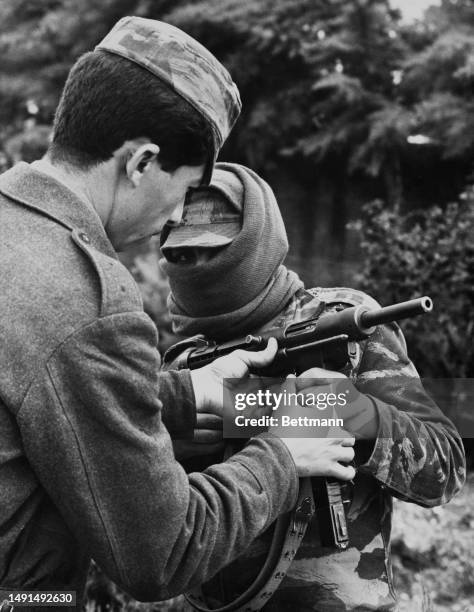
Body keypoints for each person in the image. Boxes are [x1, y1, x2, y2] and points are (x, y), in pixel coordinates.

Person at [0, 17, 357, 610]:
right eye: (186, 192)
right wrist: (284, 452)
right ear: (141, 162)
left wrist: (192, 393)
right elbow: (163, 553)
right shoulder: (90, 301)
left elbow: (41, 390)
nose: (174, 223)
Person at [160, 162, 466, 612]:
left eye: (218, 248)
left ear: (257, 243)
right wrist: (174, 449)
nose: (201, 267)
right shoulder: (185, 360)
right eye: (182, 256)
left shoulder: (343, 327)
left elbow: (446, 468)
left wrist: (357, 415)